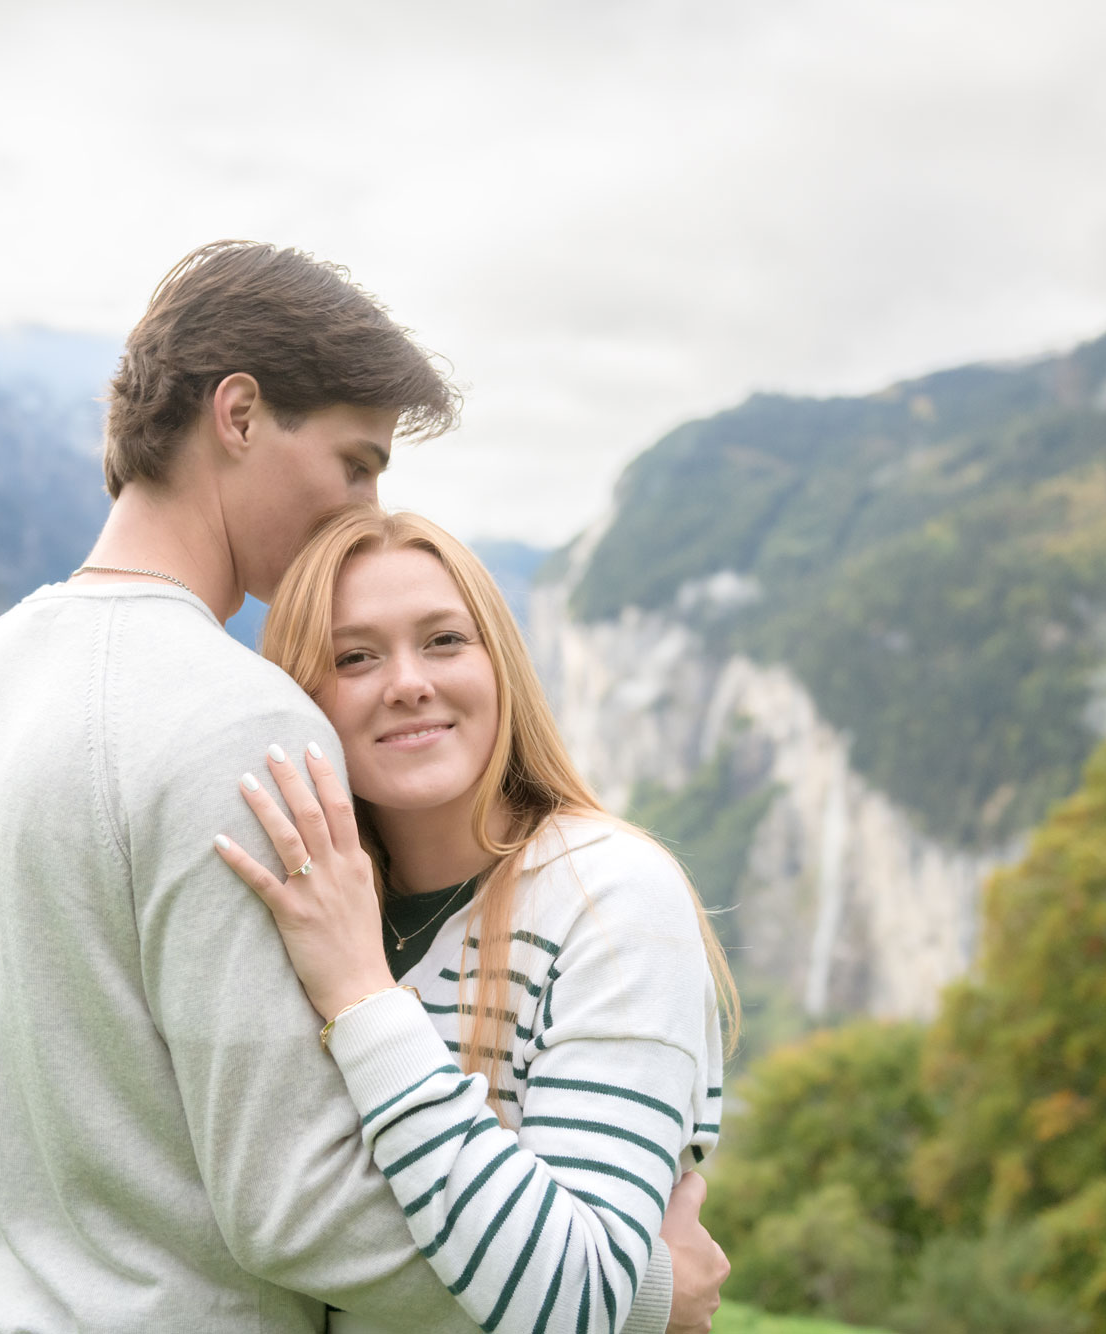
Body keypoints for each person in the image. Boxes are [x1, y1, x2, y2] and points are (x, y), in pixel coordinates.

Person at [0, 241, 729, 1333]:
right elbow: (301, 1203)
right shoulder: (241, 720)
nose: (365, 505)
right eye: (356, 461)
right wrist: (630, 1288)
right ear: (237, 416)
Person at [214, 507, 736, 1334]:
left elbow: (574, 1294)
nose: (409, 681)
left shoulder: (611, 897)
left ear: (502, 663)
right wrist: (649, 1295)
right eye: (355, 656)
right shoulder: (310, 911)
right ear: (301, 696)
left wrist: (360, 994)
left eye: (445, 641)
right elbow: (272, 1219)